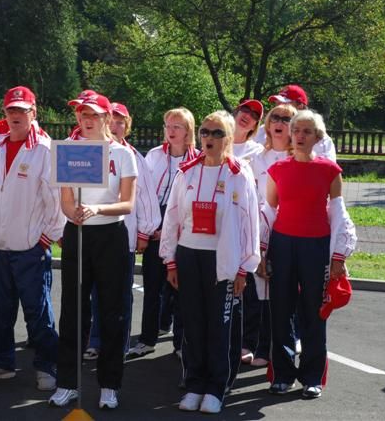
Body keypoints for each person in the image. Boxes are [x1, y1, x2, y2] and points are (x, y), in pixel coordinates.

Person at [159, 110, 259, 414]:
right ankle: (195, 384)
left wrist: (244, 267)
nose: (209, 138)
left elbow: (249, 223)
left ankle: (216, 387)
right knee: (192, 324)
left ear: (228, 138)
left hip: (222, 259)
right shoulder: (187, 172)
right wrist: (170, 260)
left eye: (217, 133)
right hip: (189, 254)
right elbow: (172, 216)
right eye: (205, 132)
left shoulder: (238, 173)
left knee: (219, 326)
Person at [49, 93, 137, 410]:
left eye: (93, 114)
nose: (86, 119)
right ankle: (67, 383)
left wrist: (97, 208)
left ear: (106, 117)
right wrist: (73, 213)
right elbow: (66, 201)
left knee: (112, 312)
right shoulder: (69, 150)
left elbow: (127, 203)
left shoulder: (122, 154)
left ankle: (109, 385)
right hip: (78, 234)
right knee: (73, 311)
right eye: (81, 114)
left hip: (111, 235)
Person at [0, 86, 64, 391]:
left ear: (33, 113)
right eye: (11, 110)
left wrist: (45, 239)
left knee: (37, 311)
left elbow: (56, 201)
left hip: (29, 249)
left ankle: (47, 365)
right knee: (1, 309)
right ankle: (2, 362)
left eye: (21, 111)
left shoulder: (45, 150)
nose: (15, 115)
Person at [261, 109, 356, 399]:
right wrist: (261, 252)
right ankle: (282, 375)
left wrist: (338, 256)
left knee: (315, 312)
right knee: (280, 311)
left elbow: (338, 215)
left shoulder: (330, 170)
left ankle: (312, 377)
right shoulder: (277, 169)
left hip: (316, 247)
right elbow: (268, 212)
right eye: (297, 130)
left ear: (317, 137)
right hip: (282, 246)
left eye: (307, 131)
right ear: (291, 135)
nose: (300, 136)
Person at [83, 102, 161, 361]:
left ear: (127, 126)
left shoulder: (132, 156)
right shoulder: (90, 151)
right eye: (112, 120)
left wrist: (144, 231)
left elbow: (146, 197)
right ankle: (95, 340)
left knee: (120, 295)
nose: (115, 125)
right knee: (95, 293)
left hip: (122, 235)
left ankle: (119, 344)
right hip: (92, 235)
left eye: (120, 121)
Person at [130, 107, 199, 360]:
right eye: (167, 126)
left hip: (182, 223)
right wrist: (150, 228)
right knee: (152, 286)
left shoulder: (198, 160)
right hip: (154, 219)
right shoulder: (154, 155)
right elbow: (143, 194)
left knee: (181, 289)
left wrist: (172, 231)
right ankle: (147, 339)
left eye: (176, 126)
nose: (170, 131)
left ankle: (181, 343)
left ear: (188, 131)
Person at [243, 104, 297, 368]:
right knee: (260, 291)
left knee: (285, 293)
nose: (279, 123)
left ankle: (285, 349)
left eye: (286, 119)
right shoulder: (257, 158)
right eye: (275, 117)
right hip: (261, 231)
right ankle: (262, 347)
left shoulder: (298, 158)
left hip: (289, 232)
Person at [255, 85, 337, 161]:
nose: (279, 107)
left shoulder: (318, 137)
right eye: (277, 103)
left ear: (300, 106)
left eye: (284, 103)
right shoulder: (263, 130)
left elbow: (327, 168)